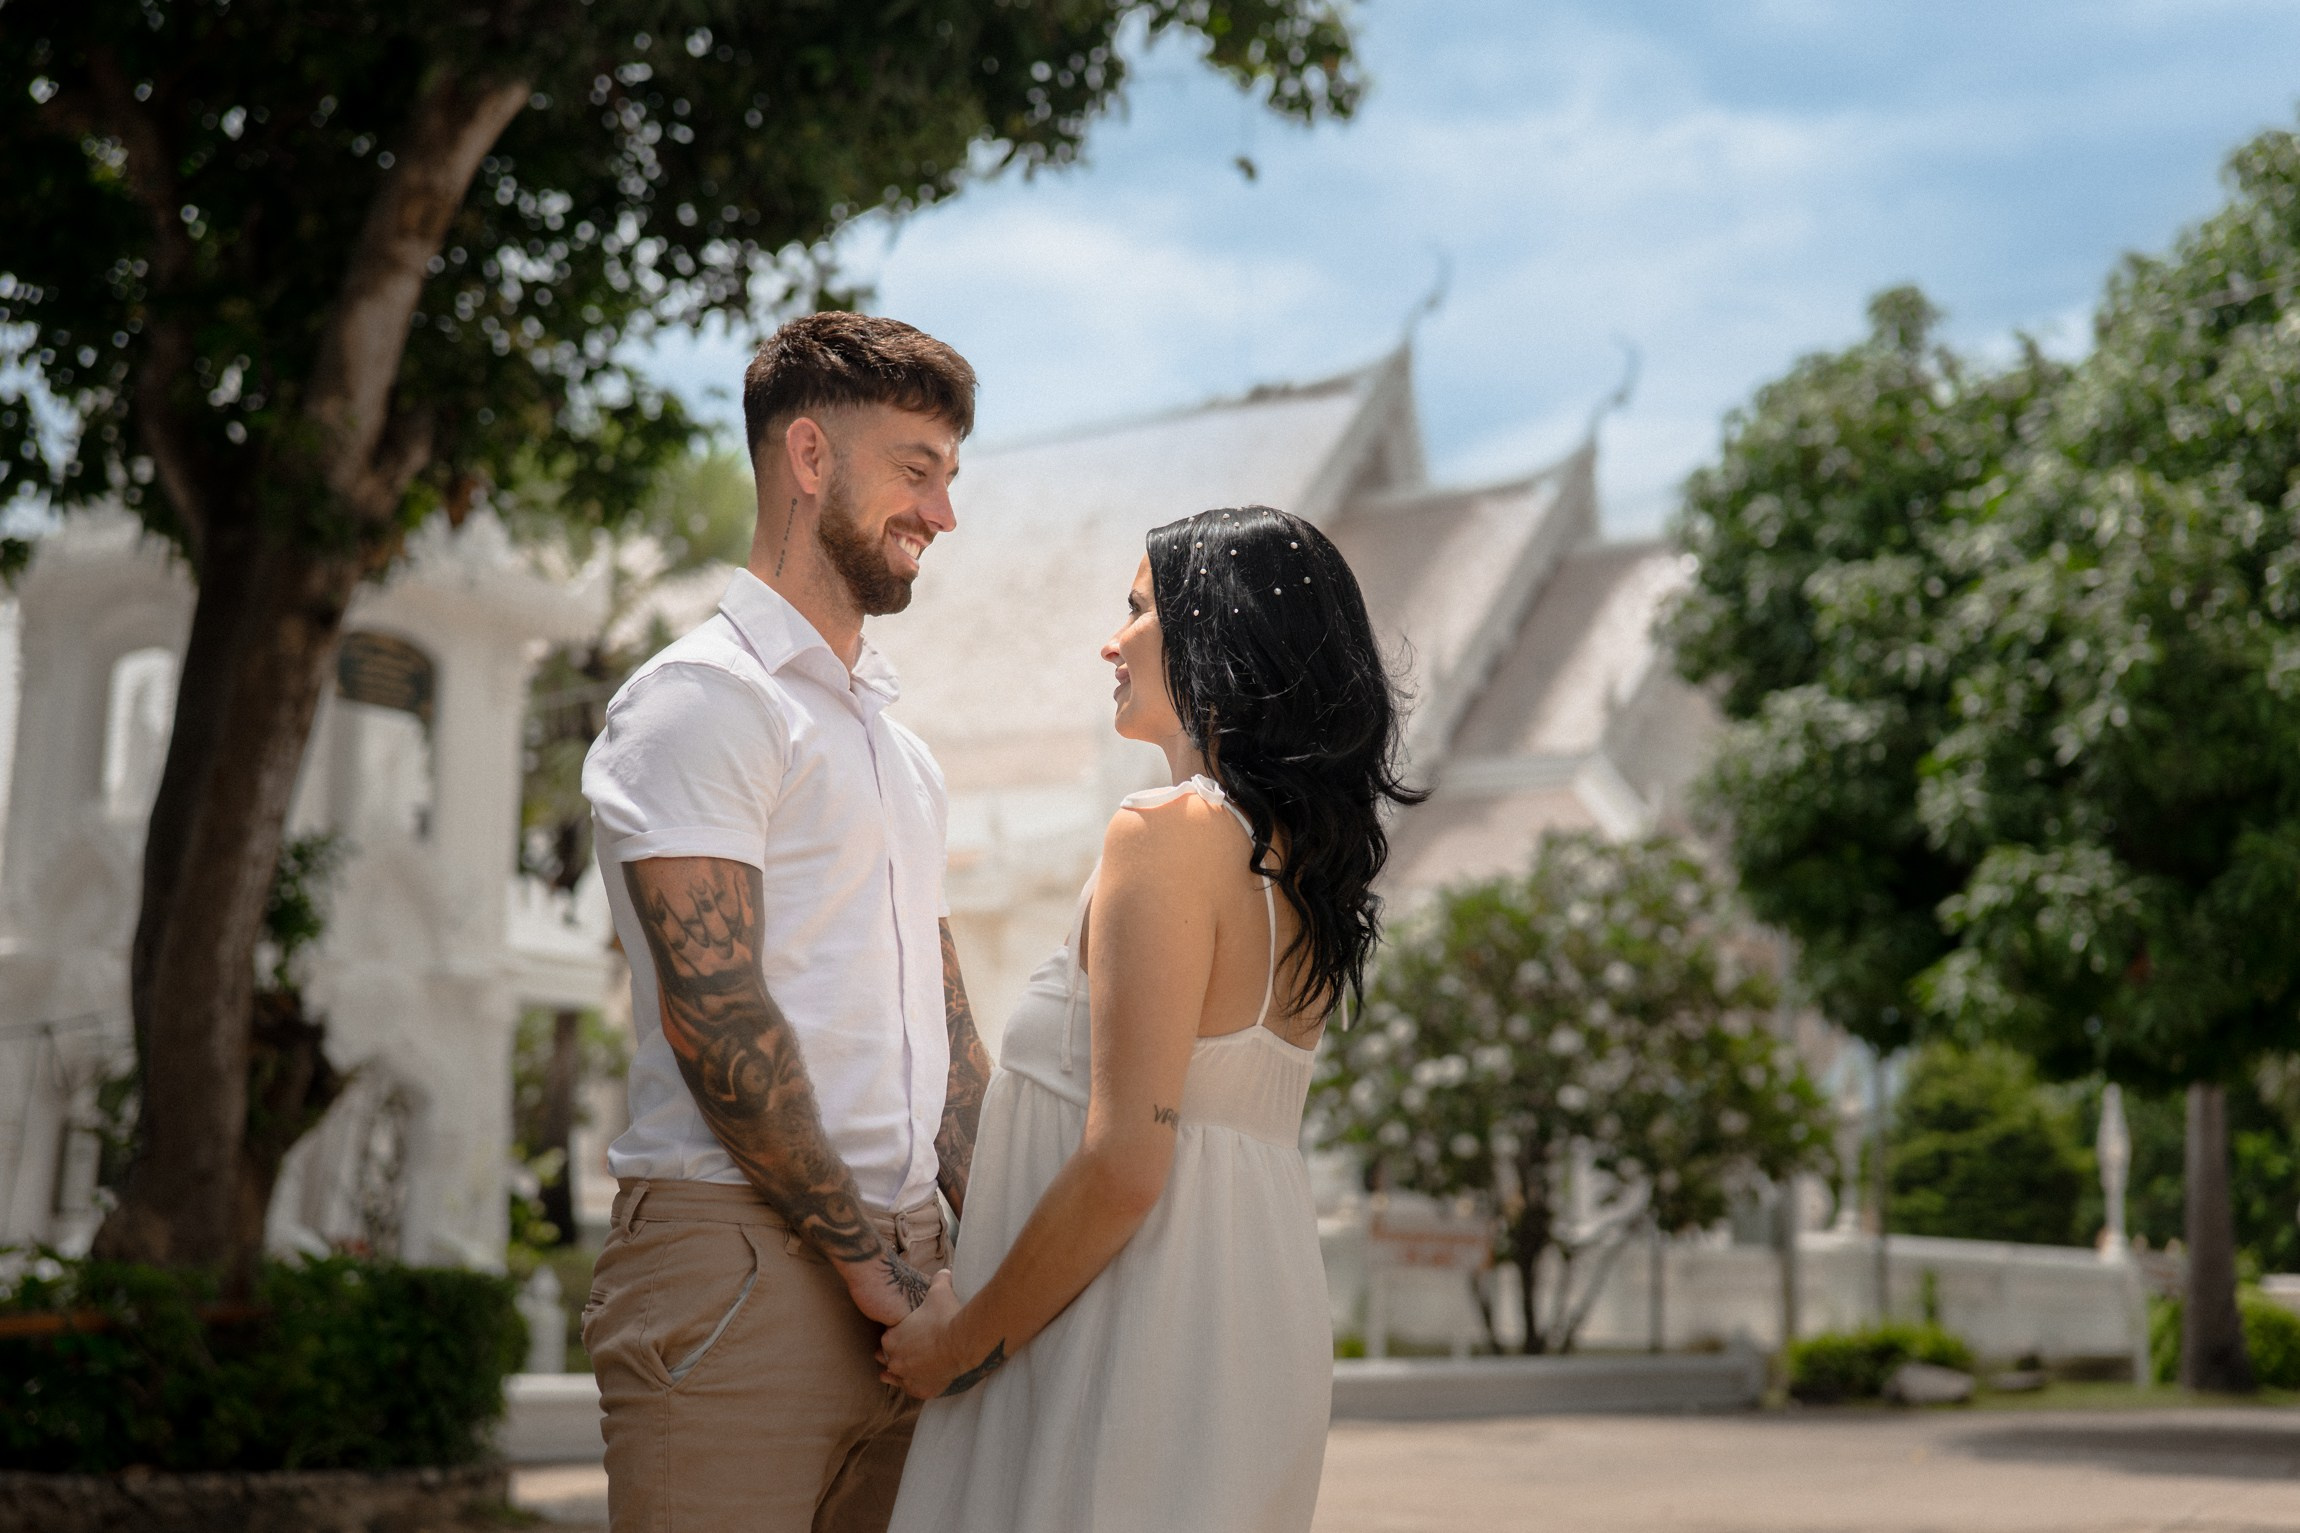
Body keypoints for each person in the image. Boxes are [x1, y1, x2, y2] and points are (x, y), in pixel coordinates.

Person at [879, 506, 1422, 1532]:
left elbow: (1126, 1162)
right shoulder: (1300, 867)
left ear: (1211, 633)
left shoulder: (1165, 834)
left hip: (1133, 1328)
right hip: (1248, 1324)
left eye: (1137, 610)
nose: (1110, 641)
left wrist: (956, 1348)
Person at [579, 311, 994, 1533]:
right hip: (738, 1257)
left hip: (908, 1273)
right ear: (809, 459)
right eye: (915, 470)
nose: (942, 514)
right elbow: (717, 1011)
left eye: (951, 478)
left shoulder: (897, 750)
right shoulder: (700, 700)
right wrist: (869, 1264)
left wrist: (981, 1253)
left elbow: (947, 1032)